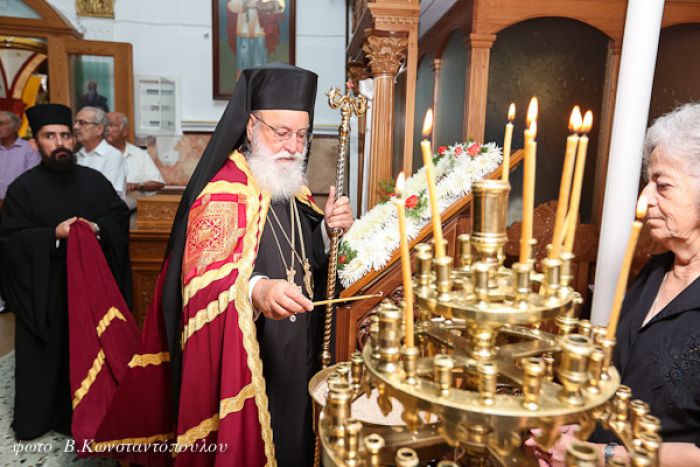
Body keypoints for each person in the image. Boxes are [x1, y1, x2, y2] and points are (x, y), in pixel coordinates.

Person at [529, 103, 700, 466]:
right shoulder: (655, 272)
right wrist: (575, 430)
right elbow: (620, 385)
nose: (644, 200)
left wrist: (602, 457)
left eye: (662, 186)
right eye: (647, 183)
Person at [0, 103, 131, 440]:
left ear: (74, 139)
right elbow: (10, 241)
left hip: (89, 294)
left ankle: (96, 412)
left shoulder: (95, 181)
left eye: (64, 135)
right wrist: (52, 235)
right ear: (36, 142)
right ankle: (45, 416)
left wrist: (97, 228)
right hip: (45, 293)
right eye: (49, 136)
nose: (59, 142)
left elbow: (118, 219)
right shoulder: (22, 189)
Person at [106, 111, 165, 210]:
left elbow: (158, 183)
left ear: (124, 131)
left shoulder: (139, 154)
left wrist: (137, 185)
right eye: (104, 125)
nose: (106, 130)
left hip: (133, 213)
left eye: (111, 126)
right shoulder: (97, 154)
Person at [74, 106, 127, 198]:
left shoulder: (113, 155)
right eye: (75, 122)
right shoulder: (76, 156)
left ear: (99, 129)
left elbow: (109, 193)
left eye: (82, 123)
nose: (75, 127)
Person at [226, 0, 285, 72]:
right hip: (243, 34)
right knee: (243, 65)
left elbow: (279, 6)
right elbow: (231, 5)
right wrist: (248, 4)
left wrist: (266, 5)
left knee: (259, 64)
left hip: (260, 33)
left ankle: (259, 82)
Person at [0, 110, 40, 207]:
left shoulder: (30, 149)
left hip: (18, 205)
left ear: (15, 127)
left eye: (1, 123)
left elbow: (31, 181)